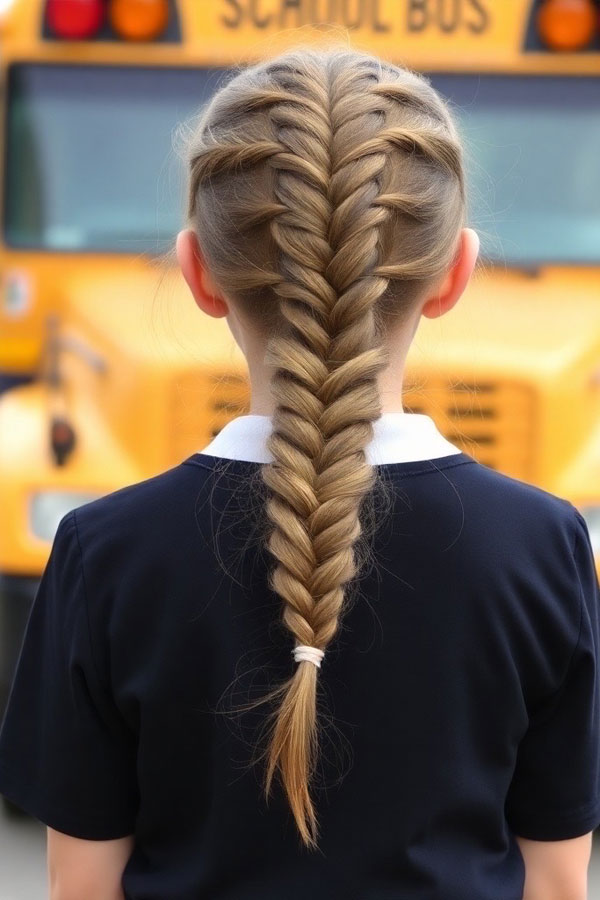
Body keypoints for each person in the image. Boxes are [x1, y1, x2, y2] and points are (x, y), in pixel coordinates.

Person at [0, 46, 598, 900]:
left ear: (199, 271)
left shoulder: (102, 553)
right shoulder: (545, 547)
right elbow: (556, 882)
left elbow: (82, 888)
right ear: (453, 273)